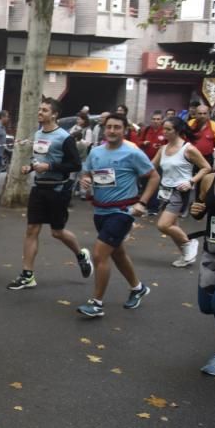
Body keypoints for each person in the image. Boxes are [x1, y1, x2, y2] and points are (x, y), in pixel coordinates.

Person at [76, 113, 159, 318]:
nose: (112, 131)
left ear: (125, 130)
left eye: (117, 127)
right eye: (109, 127)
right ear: (105, 129)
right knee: (117, 253)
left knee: (99, 254)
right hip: (100, 211)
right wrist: (84, 181)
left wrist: (142, 202)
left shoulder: (132, 153)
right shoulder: (95, 152)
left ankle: (96, 303)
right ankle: (137, 288)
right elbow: (87, 173)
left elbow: (154, 176)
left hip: (122, 212)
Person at [7, 97, 93, 290]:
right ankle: (27, 275)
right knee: (31, 230)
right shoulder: (38, 134)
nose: (40, 113)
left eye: (44, 110)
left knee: (57, 232)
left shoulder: (64, 137)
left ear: (54, 114)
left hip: (58, 189)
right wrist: (30, 167)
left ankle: (81, 255)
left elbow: (75, 165)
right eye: (39, 110)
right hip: (39, 187)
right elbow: (39, 159)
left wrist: (51, 165)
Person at [152, 117, 211, 267]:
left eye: (168, 129)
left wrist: (191, 181)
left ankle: (190, 243)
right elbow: (150, 166)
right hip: (164, 191)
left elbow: (206, 167)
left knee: (164, 225)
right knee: (173, 225)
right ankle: (186, 256)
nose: (164, 132)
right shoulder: (162, 149)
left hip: (180, 191)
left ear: (177, 131)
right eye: (163, 129)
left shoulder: (188, 148)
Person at [188, 168, 215, 375]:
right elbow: (200, 207)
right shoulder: (210, 179)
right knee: (207, 306)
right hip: (212, 255)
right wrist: (196, 210)